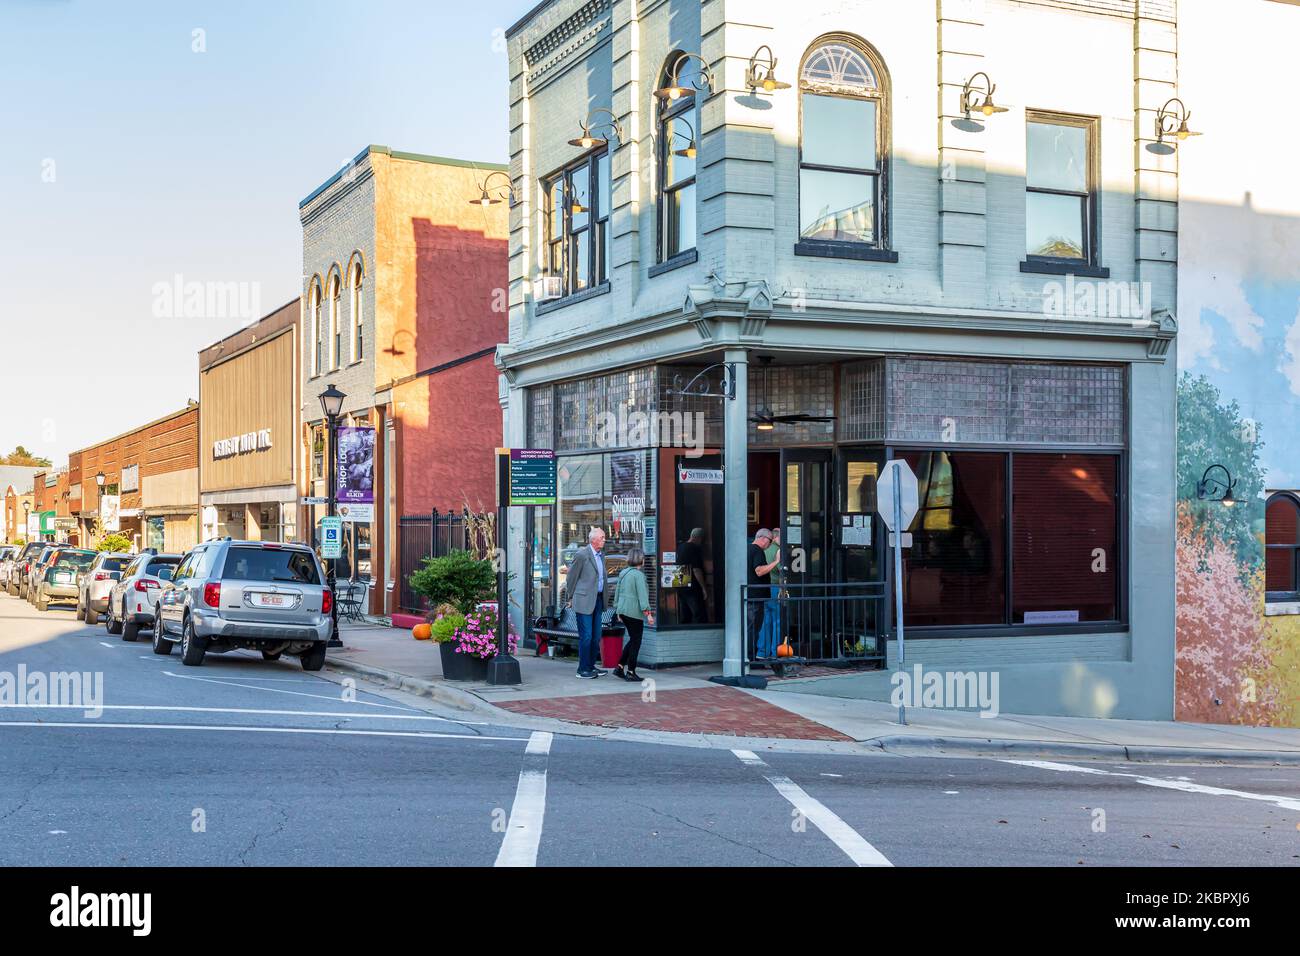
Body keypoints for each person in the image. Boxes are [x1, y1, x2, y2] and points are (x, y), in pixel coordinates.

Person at [566, 526, 608, 679]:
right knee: (587, 636)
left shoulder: (601, 555)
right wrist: (569, 597)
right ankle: (582, 669)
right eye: (602, 537)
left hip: (597, 599)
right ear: (594, 539)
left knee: (596, 636)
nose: (605, 540)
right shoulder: (582, 555)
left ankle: (590, 666)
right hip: (583, 600)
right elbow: (571, 577)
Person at [612, 547, 653, 682]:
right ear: (640, 559)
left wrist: (617, 610)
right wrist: (648, 613)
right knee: (636, 641)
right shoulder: (638, 575)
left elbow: (617, 592)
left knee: (633, 639)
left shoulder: (623, 573)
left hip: (623, 611)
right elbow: (642, 595)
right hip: (633, 612)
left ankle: (619, 667)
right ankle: (631, 671)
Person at [747, 528, 780, 658]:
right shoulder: (757, 551)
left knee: (755, 627)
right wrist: (776, 562)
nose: (770, 544)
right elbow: (759, 571)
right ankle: (751, 658)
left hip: (751, 595)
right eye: (770, 541)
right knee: (754, 627)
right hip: (756, 595)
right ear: (763, 538)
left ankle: (756, 654)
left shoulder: (747, 549)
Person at [758, 527, 783, 657]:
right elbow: (782, 571)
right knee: (777, 621)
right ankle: (775, 653)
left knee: (765, 621)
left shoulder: (764, 549)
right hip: (775, 588)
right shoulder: (778, 550)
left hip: (764, 588)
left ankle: (762, 652)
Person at [677, 527, 708, 623]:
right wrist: (703, 588)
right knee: (698, 613)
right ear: (698, 538)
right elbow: (696, 570)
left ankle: (685, 633)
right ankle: (700, 634)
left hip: (681, 583)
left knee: (685, 613)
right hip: (692, 586)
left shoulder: (681, 547)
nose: (702, 542)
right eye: (702, 539)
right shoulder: (693, 548)